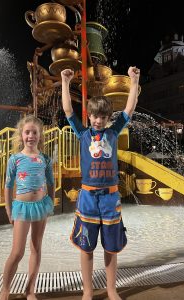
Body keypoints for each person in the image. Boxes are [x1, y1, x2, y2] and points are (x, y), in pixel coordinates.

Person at [61, 66, 140, 300]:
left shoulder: (113, 132)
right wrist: (65, 83)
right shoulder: (83, 133)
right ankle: (87, 291)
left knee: (111, 246)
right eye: (95, 116)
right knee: (86, 247)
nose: (98, 120)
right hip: (87, 197)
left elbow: (129, 109)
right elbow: (67, 111)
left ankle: (111, 289)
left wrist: (134, 82)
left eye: (103, 117)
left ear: (108, 118)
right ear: (89, 116)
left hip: (110, 197)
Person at [0, 115, 54, 300]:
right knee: (17, 251)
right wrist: (8, 208)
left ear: (40, 135)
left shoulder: (44, 159)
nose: (31, 136)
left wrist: (51, 202)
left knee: (36, 248)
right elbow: (8, 185)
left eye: (34, 132)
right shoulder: (15, 159)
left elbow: (51, 183)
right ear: (21, 135)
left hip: (41, 206)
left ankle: (30, 290)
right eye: (27, 132)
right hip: (21, 207)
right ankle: (5, 289)